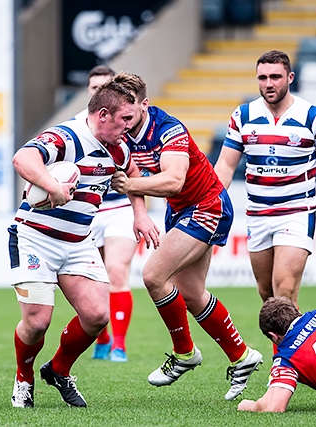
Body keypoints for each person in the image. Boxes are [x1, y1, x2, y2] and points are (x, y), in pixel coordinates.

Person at [110, 72, 263, 401]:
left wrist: (130, 187)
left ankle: (184, 353)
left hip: (208, 206)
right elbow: (131, 171)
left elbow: (174, 180)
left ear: (144, 105)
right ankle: (242, 356)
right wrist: (138, 210)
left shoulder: (168, 130)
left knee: (152, 275)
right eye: (118, 114)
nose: (122, 121)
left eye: (128, 114)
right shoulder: (121, 132)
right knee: (191, 293)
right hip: (180, 211)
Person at [9, 80, 159, 408]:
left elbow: (132, 174)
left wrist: (140, 214)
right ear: (103, 115)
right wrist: (53, 186)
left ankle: (59, 369)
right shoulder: (67, 137)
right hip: (35, 238)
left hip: (78, 242)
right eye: (125, 119)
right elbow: (22, 159)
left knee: (96, 316)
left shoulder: (118, 147)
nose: (129, 126)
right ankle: (24, 377)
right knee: (37, 322)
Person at [214, 50, 316, 308]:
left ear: (290, 77)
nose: (268, 83)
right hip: (257, 215)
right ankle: (290, 346)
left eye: (275, 77)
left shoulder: (314, 117)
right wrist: (210, 206)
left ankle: (285, 351)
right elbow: (224, 166)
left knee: (284, 289)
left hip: (296, 213)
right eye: (263, 77)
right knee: (267, 294)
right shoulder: (243, 116)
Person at [76, 65, 138, 363]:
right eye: (93, 88)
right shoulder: (74, 128)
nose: (99, 92)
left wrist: (141, 212)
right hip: (86, 210)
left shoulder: (126, 125)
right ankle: (102, 338)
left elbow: (135, 170)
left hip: (119, 208)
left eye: (105, 87)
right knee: (92, 281)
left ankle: (119, 346)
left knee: (116, 272)